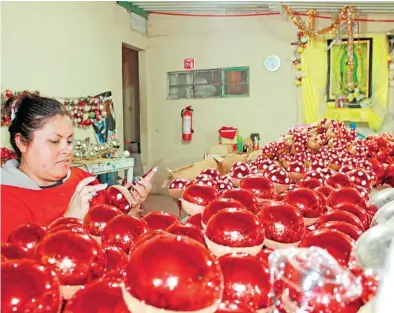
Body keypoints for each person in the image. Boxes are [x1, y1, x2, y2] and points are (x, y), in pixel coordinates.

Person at [0, 92, 156, 241]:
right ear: (21, 142)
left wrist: (132, 206)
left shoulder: (84, 182)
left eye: (69, 141)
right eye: (54, 141)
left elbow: (118, 240)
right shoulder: (7, 198)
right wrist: (69, 222)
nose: (66, 150)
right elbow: (17, 265)